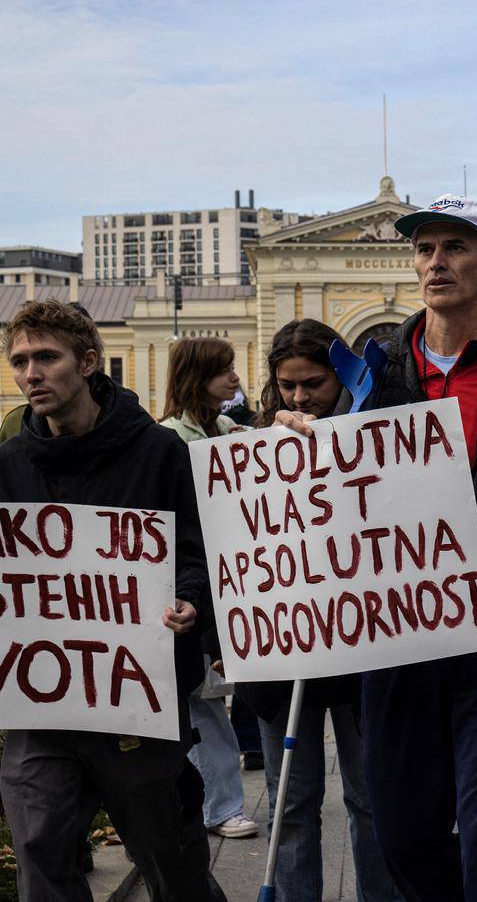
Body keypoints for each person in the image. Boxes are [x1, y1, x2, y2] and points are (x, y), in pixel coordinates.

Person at [276, 194, 477, 901]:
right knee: (402, 832)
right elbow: (338, 488)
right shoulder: (374, 374)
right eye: (425, 248)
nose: (436, 262)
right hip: (401, 638)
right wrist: (302, 449)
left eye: (456, 247)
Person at [0, 300, 227, 901]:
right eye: (20, 361)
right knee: (40, 851)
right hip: (41, 704)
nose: (30, 374)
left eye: (46, 357)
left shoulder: (158, 453)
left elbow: (198, 551)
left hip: (138, 701)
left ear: (90, 363)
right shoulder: (9, 465)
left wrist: (189, 601)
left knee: (170, 859)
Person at [239, 318, 402, 902]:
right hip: (283, 657)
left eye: (313, 383)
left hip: (363, 651)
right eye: (288, 386)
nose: (301, 397)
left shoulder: (376, 434)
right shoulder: (256, 450)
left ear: (343, 377)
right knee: (292, 806)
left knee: (370, 798)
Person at [157, 338, 261, 841]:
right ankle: (218, 805)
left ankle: (212, 804)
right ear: (197, 377)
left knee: (209, 698)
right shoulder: (172, 440)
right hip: (199, 588)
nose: (235, 380)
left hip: (228, 585)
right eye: (224, 372)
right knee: (202, 702)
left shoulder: (223, 430)